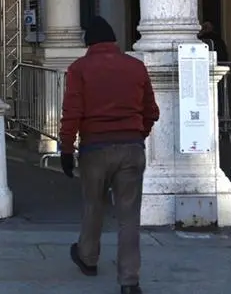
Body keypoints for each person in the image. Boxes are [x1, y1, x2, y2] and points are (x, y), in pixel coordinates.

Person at [59, 16, 159, 294]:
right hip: (131, 148)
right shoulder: (136, 67)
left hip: (95, 149)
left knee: (94, 206)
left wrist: (67, 149)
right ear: (114, 40)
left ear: (88, 43)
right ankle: (130, 281)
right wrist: (138, 135)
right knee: (129, 217)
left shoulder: (79, 69)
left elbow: (72, 114)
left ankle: (88, 258)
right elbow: (152, 111)